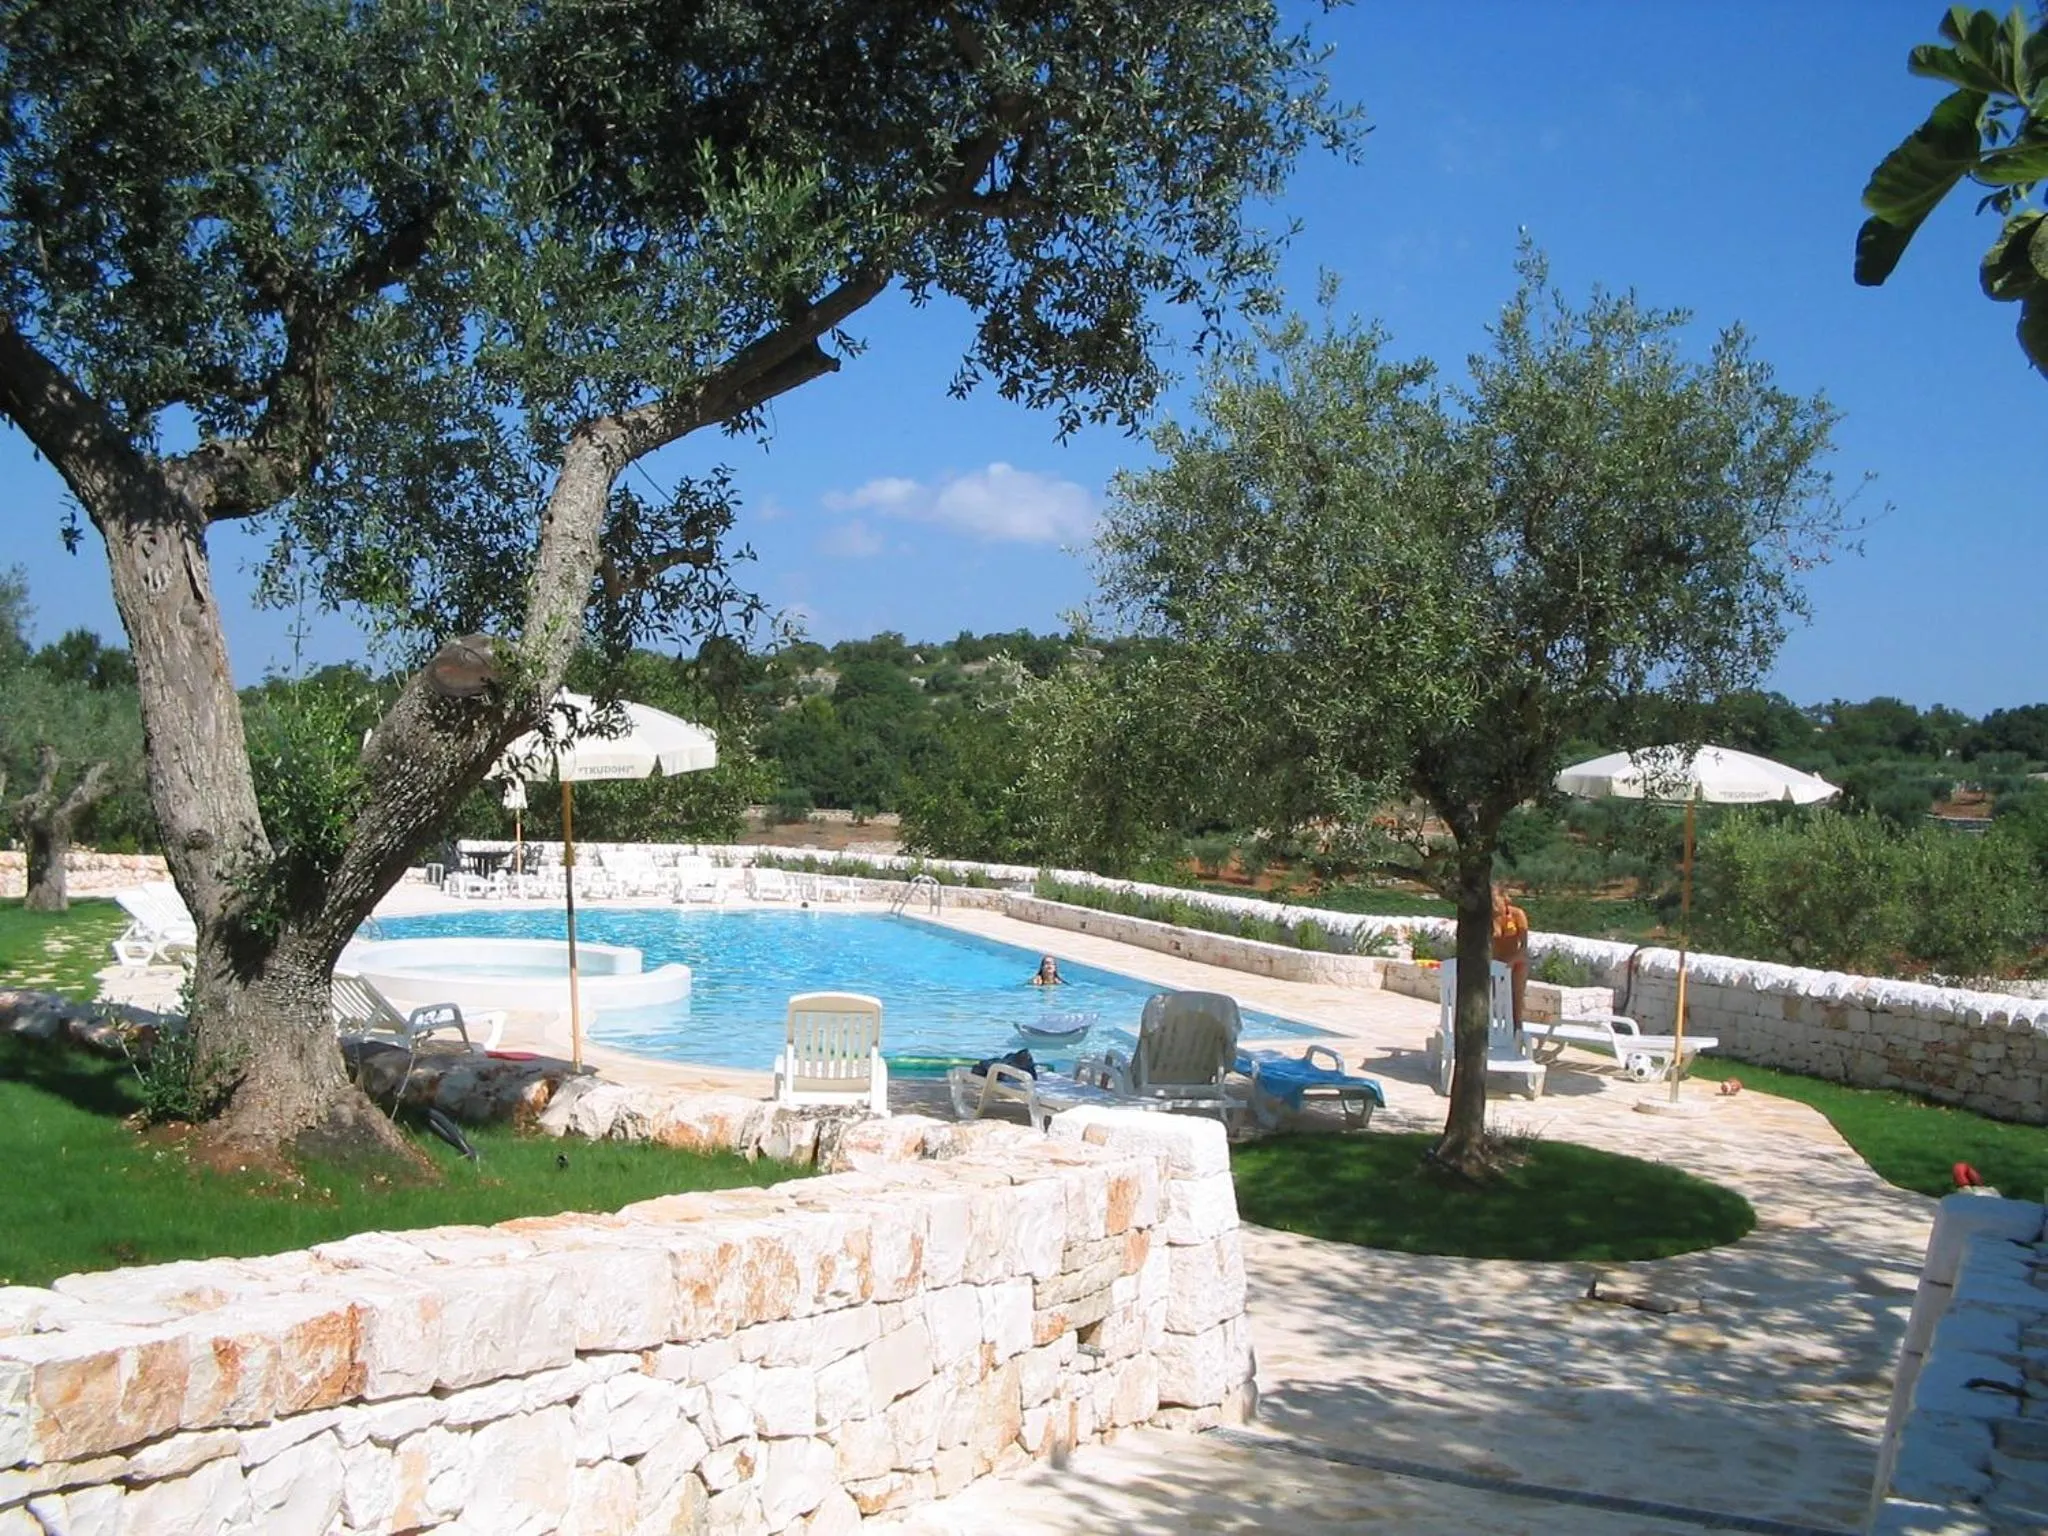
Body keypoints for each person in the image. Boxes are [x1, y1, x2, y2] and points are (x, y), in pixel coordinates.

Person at [1491, 884, 1530, 1028]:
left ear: (1504, 898)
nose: (1493, 906)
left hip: (1515, 960)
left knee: (1515, 999)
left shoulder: (1517, 915)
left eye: (1495, 901)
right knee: (1489, 995)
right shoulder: (1488, 918)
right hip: (1494, 961)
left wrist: (1513, 960)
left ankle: (1516, 1027)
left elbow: (1524, 946)